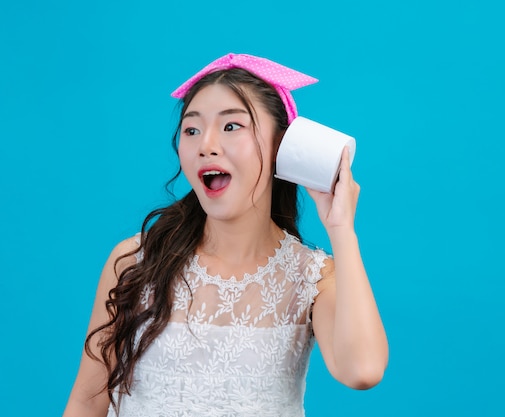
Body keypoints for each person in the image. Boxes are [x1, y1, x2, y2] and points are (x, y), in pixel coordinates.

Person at [63, 53, 388, 417]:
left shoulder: (312, 279)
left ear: (284, 146)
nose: (206, 145)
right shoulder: (135, 261)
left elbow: (362, 370)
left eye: (231, 126)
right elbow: (86, 402)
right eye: (192, 130)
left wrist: (341, 230)